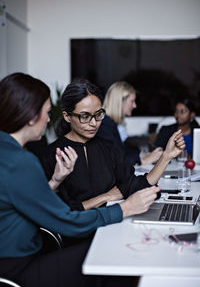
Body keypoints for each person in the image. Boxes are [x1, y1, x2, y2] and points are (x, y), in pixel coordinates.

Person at [0, 73, 168, 287]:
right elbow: (66, 221)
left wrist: (54, 182)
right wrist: (124, 208)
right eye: (46, 113)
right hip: (18, 268)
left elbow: (25, 201)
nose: (48, 119)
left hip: (14, 261)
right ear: (32, 117)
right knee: (115, 257)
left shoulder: (8, 153)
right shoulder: (21, 161)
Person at [42, 78, 184, 214]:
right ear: (67, 116)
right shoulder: (52, 154)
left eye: (98, 115)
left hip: (110, 226)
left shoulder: (108, 147)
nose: (94, 123)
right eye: (85, 117)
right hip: (78, 234)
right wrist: (105, 197)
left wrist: (166, 157)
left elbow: (137, 186)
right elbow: (57, 211)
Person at [97, 81, 163, 165]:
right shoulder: (105, 126)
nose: (135, 105)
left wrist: (141, 155)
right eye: (132, 101)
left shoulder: (110, 123)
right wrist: (144, 160)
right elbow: (114, 159)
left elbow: (121, 150)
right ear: (120, 102)